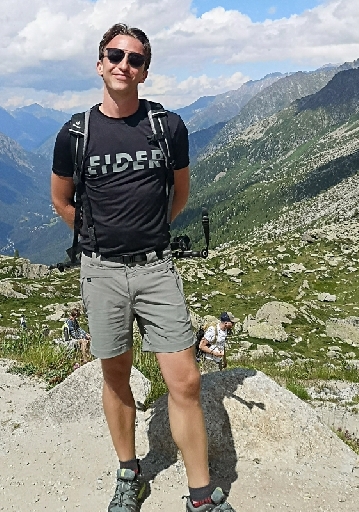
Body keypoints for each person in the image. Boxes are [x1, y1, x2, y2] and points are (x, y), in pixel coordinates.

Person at [51, 23, 235, 512]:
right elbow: (62, 200)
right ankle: (129, 472)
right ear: (100, 63)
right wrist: (98, 239)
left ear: (145, 72)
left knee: (186, 380)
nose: (123, 65)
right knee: (116, 376)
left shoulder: (167, 127)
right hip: (102, 272)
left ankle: (201, 496)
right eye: (115, 55)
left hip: (156, 269)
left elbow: (180, 193)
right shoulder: (75, 133)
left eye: (134, 59)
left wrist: (148, 232)